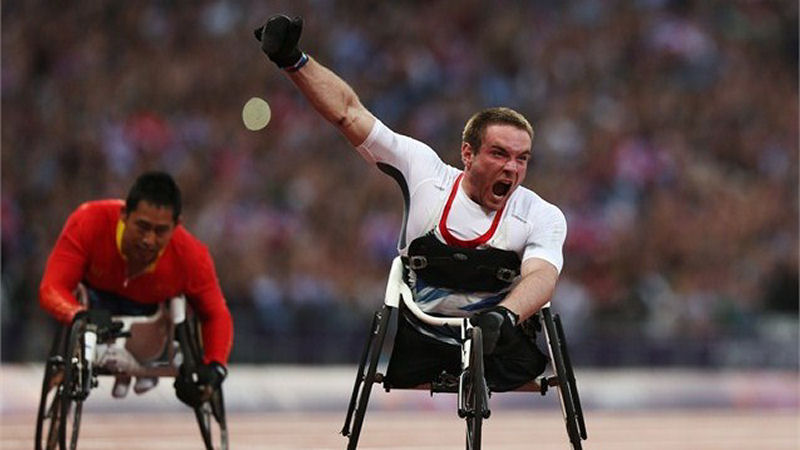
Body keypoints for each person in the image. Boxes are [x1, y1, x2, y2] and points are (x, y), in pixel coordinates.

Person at [254, 15, 567, 392]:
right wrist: (293, 60)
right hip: (424, 342)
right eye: (499, 154)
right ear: (467, 154)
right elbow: (350, 113)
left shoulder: (542, 214)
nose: (512, 168)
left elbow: (542, 276)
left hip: (501, 344)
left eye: (522, 158)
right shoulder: (426, 174)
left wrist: (502, 316)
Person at [39, 171, 233, 406]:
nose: (149, 240)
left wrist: (216, 366)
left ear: (176, 226)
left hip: (149, 324)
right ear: (124, 215)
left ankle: (154, 357)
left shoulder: (192, 256)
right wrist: (77, 314)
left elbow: (215, 314)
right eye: (142, 227)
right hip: (93, 306)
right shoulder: (88, 221)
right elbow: (52, 287)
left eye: (160, 231)